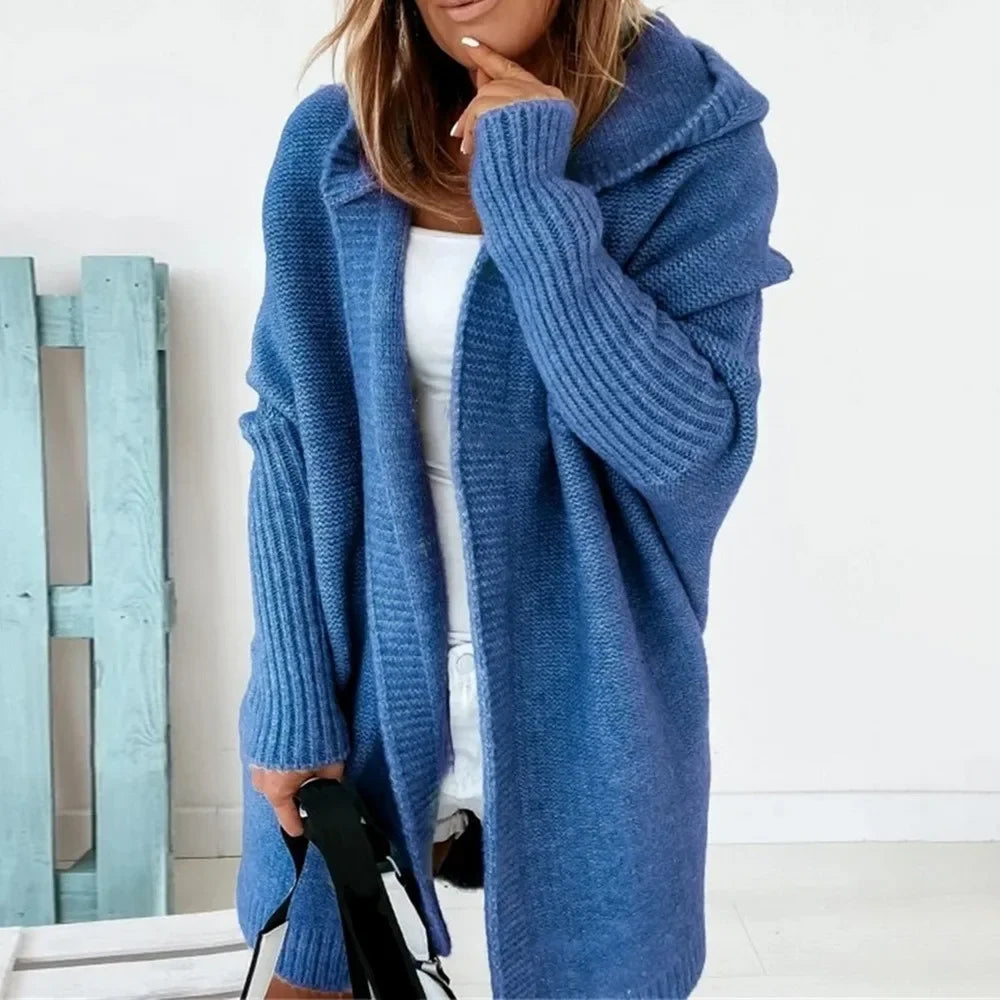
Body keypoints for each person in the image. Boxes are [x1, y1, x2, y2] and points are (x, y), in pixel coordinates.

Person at [234, 0, 793, 997]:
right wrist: (287, 695)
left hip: (593, 704)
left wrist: (533, 199)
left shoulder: (695, 139)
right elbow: (287, 431)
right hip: (364, 695)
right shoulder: (335, 142)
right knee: (318, 971)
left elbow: (684, 451)